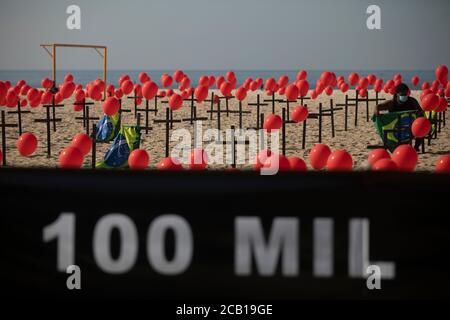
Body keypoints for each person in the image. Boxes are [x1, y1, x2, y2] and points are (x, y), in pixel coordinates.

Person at [374, 83, 424, 150]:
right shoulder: (392, 103)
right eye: (402, 94)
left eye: (406, 94)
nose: (404, 96)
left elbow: (420, 112)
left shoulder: (412, 101)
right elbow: (377, 107)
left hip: (410, 127)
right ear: (397, 94)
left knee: (422, 128)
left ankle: (416, 147)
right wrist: (377, 113)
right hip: (395, 129)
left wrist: (418, 115)